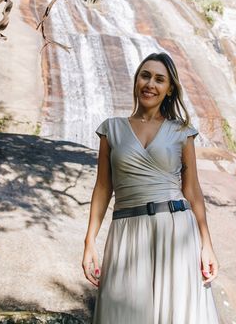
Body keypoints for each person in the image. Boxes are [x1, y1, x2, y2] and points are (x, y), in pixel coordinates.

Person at [82, 52, 220, 324]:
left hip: (175, 230)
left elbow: (192, 191)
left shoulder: (182, 132)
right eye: (145, 76)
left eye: (160, 79)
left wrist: (207, 244)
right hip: (126, 231)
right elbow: (102, 188)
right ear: (136, 81)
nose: (150, 84)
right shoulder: (112, 129)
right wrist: (89, 242)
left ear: (169, 90)